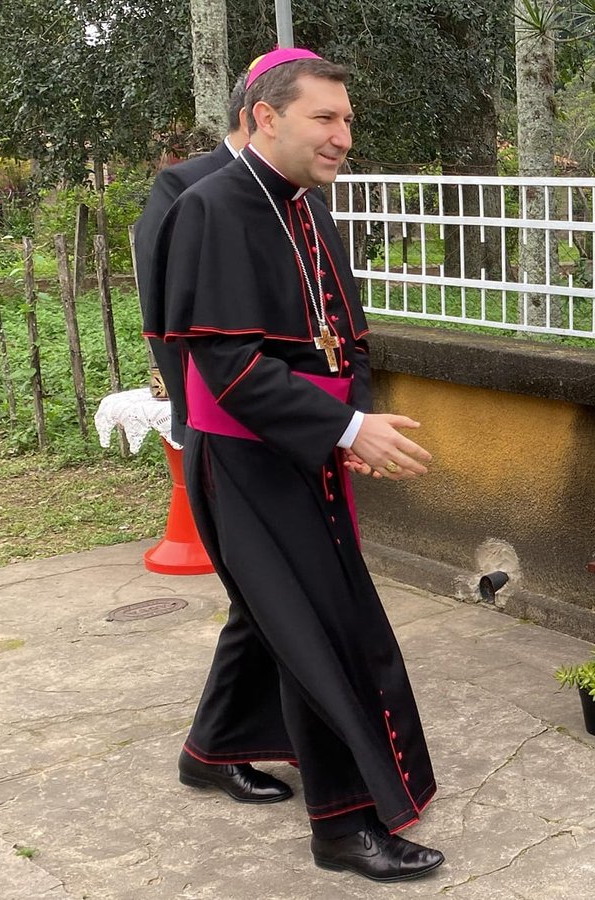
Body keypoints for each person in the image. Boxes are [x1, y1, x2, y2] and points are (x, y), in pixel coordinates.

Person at [147, 48, 445, 883]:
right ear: (266, 115)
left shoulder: (306, 208)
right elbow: (229, 366)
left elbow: (341, 339)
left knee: (272, 616)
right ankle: (345, 826)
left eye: (348, 119)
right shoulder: (210, 206)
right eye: (326, 117)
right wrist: (346, 428)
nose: (344, 135)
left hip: (306, 450)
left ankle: (213, 749)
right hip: (248, 461)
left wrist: (358, 422)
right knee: (320, 631)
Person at [135, 71, 250, 448]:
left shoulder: (306, 195)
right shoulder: (184, 186)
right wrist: (190, 410)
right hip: (219, 412)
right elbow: (168, 306)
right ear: (255, 118)